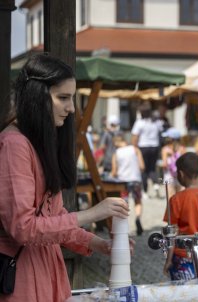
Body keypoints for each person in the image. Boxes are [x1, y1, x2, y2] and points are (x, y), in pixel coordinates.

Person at [0, 54, 130, 301]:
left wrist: (97, 244)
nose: (71, 108)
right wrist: (92, 214)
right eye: (63, 98)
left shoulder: (37, 142)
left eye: (71, 98)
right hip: (22, 277)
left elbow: (54, 220)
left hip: (46, 269)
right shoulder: (14, 144)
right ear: (37, 96)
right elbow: (24, 228)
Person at [163, 152, 198, 280]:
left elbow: (172, 233)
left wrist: (168, 260)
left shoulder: (176, 199)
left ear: (181, 174)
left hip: (182, 256)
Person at [111, 132, 145, 236]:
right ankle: (138, 218)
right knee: (138, 201)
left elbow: (114, 172)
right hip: (135, 179)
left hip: (123, 182)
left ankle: (124, 226)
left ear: (116, 143)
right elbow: (142, 167)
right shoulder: (135, 149)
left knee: (124, 204)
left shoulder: (116, 153)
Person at [131, 104, 164, 197]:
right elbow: (161, 132)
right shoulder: (156, 122)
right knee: (152, 168)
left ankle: (144, 191)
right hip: (154, 147)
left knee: (143, 169)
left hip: (143, 147)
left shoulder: (140, 122)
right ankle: (156, 184)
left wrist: (134, 148)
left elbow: (135, 137)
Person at [160, 127, 186, 199]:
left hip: (169, 177)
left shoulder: (165, 149)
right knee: (181, 200)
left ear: (170, 138)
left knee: (171, 200)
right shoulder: (182, 149)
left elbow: (165, 164)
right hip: (180, 177)